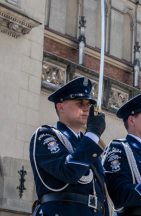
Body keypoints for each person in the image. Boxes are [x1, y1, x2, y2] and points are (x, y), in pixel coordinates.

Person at [29, 77, 108, 216]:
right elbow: (69, 172)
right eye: (80, 103)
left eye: (88, 104)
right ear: (61, 107)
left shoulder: (87, 144)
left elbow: (101, 194)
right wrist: (93, 133)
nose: (86, 108)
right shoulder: (45, 136)